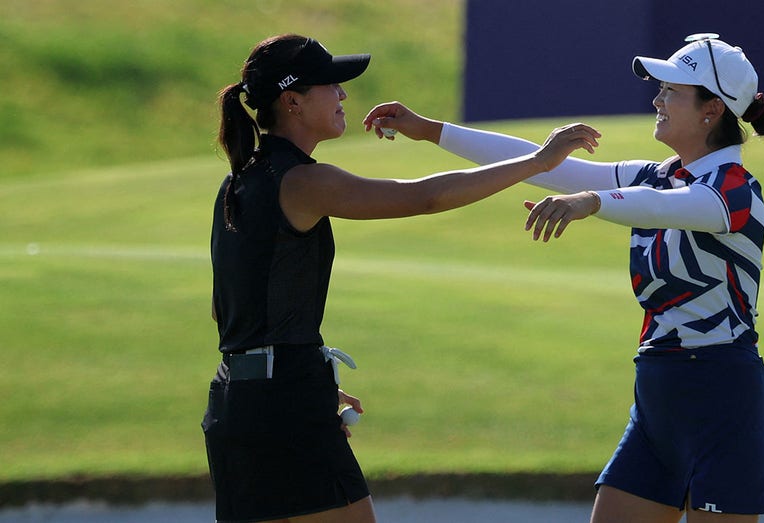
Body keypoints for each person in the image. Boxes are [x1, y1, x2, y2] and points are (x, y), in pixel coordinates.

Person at [364, 33, 764, 523]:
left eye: (671, 90)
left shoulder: (735, 188)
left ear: (711, 110)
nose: (657, 99)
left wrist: (593, 202)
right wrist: (430, 129)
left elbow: (671, 208)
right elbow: (542, 166)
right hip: (658, 395)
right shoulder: (656, 175)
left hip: (724, 402)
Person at [201, 33, 600, 523]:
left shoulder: (239, 180)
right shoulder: (303, 181)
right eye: (332, 86)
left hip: (235, 402)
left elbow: (231, 309)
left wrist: (302, 371)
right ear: (293, 101)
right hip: (284, 402)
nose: (344, 95)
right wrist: (538, 163)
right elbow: (423, 197)